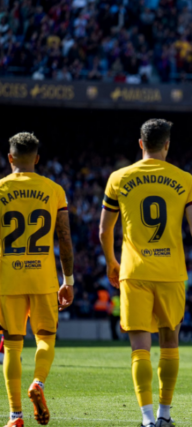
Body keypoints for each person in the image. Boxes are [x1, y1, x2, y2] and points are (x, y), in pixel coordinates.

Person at [99, 119, 192, 427]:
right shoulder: (184, 179)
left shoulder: (118, 178)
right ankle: (165, 414)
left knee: (140, 348)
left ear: (140, 143)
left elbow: (103, 230)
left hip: (134, 272)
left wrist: (112, 262)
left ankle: (147, 418)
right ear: (167, 145)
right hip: (171, 273)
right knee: (170, 342)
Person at [0, 132, 75, 427]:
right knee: (45, 339)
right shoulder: (53, 189)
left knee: (12, 346)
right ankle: (39, 384)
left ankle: (15, 416)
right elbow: (65, 237)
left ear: (10, 158)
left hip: (8, 279)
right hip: (43, 278)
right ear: (37, 159)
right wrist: (68, 279)